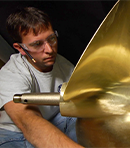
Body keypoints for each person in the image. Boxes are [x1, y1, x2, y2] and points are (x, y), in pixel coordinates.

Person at [0, 7, 83, 148]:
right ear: (20, 48)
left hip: (56, 120)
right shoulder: (10, 75)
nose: (50, 50)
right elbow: (28, 122)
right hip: (15, 135)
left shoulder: (62, 63)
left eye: (51, 38)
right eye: (37, 44)